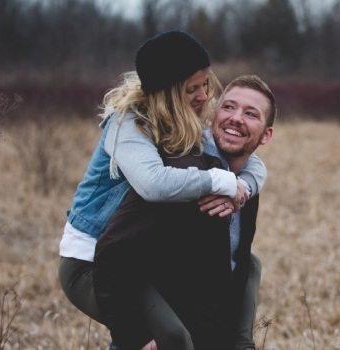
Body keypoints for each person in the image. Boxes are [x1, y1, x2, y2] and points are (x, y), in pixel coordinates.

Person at [57, 31, 266, 350]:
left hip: (137, 256)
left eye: (205, 84)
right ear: (167, 93)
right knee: (169, 339)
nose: (203, 96)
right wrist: (218, 181)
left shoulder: (186, 117)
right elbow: (153, 183)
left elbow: (248, 161)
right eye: (191, 89)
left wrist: (242, 189)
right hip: (92, 260)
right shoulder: (129, 124)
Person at [94, 74, 276, 350]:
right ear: (214, 114)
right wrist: (132, 335)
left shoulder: (246, 182)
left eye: (250, 114)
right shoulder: (182, 173)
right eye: (228, 107)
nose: (236, 118)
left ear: (266, 135)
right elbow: (113, 251)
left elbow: (232, 266)